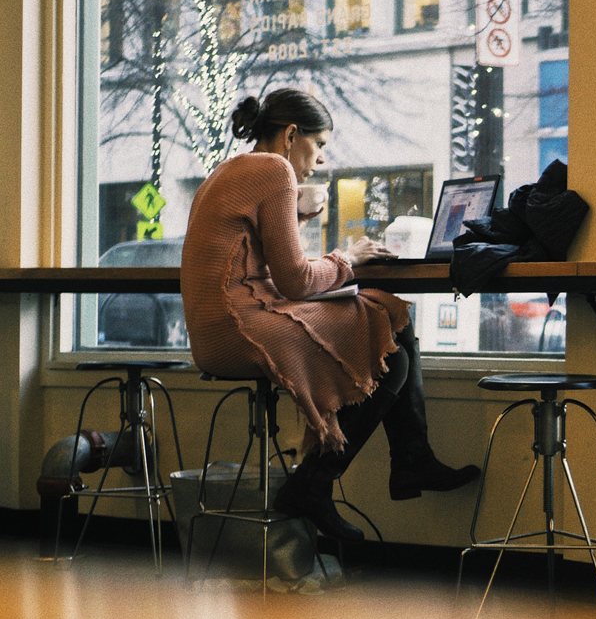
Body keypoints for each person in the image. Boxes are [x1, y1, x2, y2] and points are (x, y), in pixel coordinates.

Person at [181, 88, 480, 541]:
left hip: (214, 330)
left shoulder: (230, 169)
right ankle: (322, 483)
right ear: (291, 135)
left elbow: (254, 261)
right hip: (241, 327)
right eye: (318, 145)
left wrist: (297, 217)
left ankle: (403, 463)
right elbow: (296, 281)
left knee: (385, 320)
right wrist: (350, 257)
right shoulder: (274, 169)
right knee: (390, 336)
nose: (319, 160)